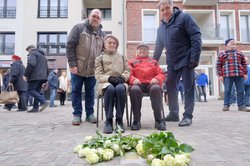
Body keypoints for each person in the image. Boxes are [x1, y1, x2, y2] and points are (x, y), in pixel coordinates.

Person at [153, 0, 202, 127]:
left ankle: (187, 116)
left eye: (166, 8)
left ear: (172, 7)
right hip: (172, 61)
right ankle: (174, 113)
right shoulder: (161, 27)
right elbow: (158, 46)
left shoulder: (184, 17)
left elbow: (196, 36)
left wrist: (195, 57)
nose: (164, 12)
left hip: (186, 58)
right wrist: (153, 63)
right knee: (170, 84)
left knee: (188, 87)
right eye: (162, 10)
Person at [67, 9, 106, 125]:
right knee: (76, 91)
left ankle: (90, 114)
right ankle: (77, 114)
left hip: (92, 70)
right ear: (89, 16)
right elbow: (70, 46)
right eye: (94, 16)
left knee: (90, 92)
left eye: (98, 17)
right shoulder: (78, 28)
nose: (95, 19)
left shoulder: (103, 35)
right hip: (77, 67)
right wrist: (72, 64)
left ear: (100, 20)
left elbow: (104, 54)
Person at [95, 35, 130, 133]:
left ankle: (119, 120)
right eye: (109, 43)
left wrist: (123, 77)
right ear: (104, 45)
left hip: (120, 82)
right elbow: (98, 74)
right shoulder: (100, 58)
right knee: (110, 89)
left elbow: (127, 70)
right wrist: (109, 78)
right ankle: (109, 120)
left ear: (117, 45)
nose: (112, 45)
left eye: (114, 43)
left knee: (119, 89)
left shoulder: (122, 57)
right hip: (106, 83)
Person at [129, 43, 166, 131]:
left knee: (156, 88)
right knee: (134, 89)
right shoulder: (131, 62)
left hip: (151, 83)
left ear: (148, 52)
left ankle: (158, 120)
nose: (142, 51)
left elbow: (161, 73)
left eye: (145, 49)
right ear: (137, 51)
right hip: (138, 84)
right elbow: (128, 74)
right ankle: (136, 121)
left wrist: (157, 78)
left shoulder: (153, 62)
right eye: (140, 49)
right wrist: (133, 79)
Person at [216, 38, 249, 112]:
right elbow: (218, 65)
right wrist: (220, 75)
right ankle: (226, 105)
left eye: (234, 42)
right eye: (231, 42)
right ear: (226, 45)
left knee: (240, 91)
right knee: (227, 90)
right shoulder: (222, 54)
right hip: (227, 75)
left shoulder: (240, 53)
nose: (233, 43)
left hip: (239, 75)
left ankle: (241, 106)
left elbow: (244, 64)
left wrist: (245, 73)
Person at [24, 44, 49, 113]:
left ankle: (43, 101)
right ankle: (35, 108)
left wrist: (25, 74)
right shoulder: (43, 56)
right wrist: (46, 78)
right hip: (42, 77)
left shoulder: (32, 53)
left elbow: (31, 64)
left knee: (30, 90)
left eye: (28, 51)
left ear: (30, 49)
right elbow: (47, 68)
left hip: (34, 76)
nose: (28, 53)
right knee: (37, 91)